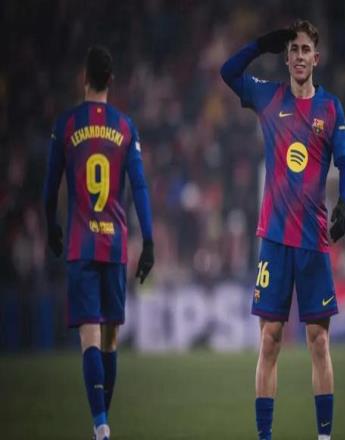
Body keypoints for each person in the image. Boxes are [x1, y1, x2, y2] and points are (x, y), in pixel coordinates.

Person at [220, 19, 345, 440]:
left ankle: (324, 437)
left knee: (319, 341)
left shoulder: (330, 108)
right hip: (275, 240)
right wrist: (261, 44)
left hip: (313, 241)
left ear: (317, 58)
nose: (298, 56)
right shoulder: (268, 96)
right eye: (293, 49)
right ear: (287, 57)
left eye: (305, 49)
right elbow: (228, 72)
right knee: (270, 340)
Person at [43, 45, 154, 440]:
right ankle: (103, 423)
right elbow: (139, 187)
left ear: (84, 78)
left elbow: (50, 183)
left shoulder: (66, 124)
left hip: (81, 243)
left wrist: (50, 224)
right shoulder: (126, 127)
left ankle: (101, 424)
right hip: (115, 244)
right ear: (112, 80)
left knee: (88, 334)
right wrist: (149, 241)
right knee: (110, 338)